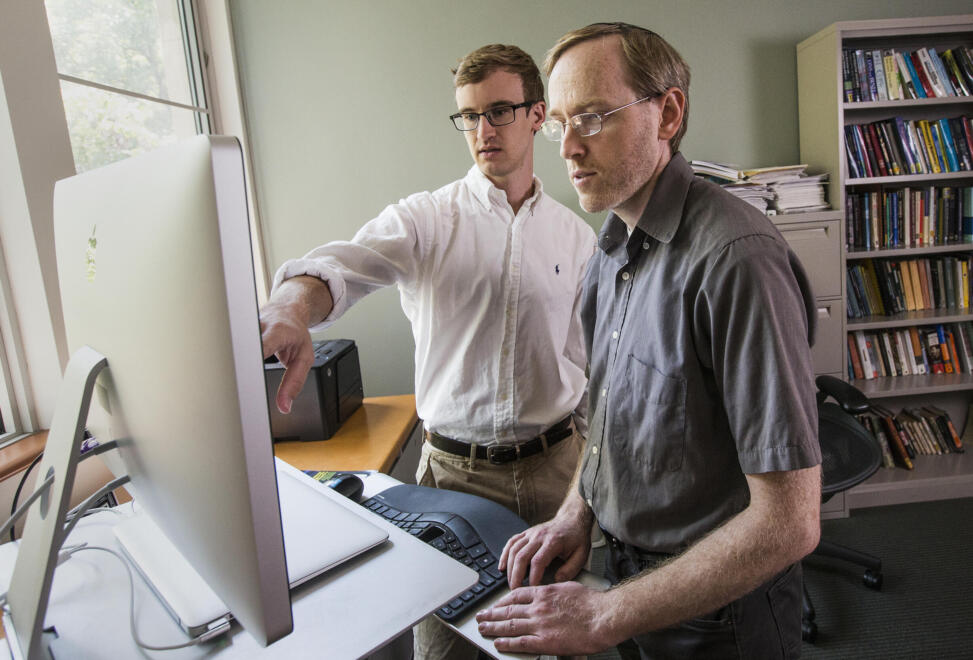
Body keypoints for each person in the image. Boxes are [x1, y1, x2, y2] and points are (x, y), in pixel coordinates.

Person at [475, 23, 822, 659]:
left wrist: (605, 615)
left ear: (667, 114)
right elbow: (609, 420)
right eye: (560, 124)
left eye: (592, 117)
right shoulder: (608, 251)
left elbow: (788, 523)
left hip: (719, 618)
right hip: (630, 583)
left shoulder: (736, 260)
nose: (568, 147)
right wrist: (576, 513)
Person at [258, 43, 596, 660]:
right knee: (441, 652)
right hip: (453, 480)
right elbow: (343, 266)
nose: (483, 130)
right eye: (469, 116)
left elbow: (588, 365)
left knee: (563, 643)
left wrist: (590, 481)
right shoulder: (426, 219)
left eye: (499, 111)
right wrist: (291, 305)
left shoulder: (577, 237)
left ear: (536, 115)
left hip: (556, 473)